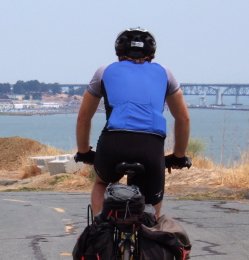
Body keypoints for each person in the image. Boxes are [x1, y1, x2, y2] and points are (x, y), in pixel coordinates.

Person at [75, 27, 191, 219]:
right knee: (151, 200)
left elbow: (83, 117)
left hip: (113, 143)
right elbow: (183, 118)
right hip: (151, 146)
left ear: (119, 52)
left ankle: (99, 229)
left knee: (102, 183)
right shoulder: (165, 73)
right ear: (151, 53)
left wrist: (84, 152)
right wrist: (178, 156)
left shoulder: (104, 71)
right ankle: (149, 235)